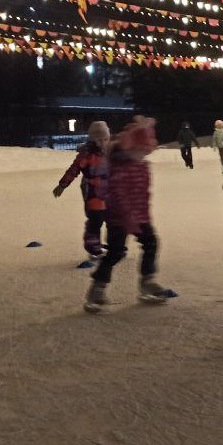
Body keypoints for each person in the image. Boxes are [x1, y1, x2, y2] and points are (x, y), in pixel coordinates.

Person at [86, 117, 165, 311]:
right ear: (130, 148)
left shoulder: (143, 167)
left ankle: (147, 281)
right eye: (141, 149)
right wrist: (127, 218)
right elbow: (117, 197)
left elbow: (144, 195)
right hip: (118, 220)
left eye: (147, 150)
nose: (144, 154)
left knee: (151, 243)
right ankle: (97, 288)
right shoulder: (118, 168)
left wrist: (144, 218)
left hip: (139, 216)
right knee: (115, 253)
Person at [53, 120, 111, 257]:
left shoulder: (110, 152)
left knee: (112, 217)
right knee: (96, 217)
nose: (103, 142)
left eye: (106, 139)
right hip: (91, 189)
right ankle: (92, 246)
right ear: (93, 139)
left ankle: (115, 244)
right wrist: (62, 185)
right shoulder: (86, 154)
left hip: (108, 189)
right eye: (99, 139)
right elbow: (74, 169)